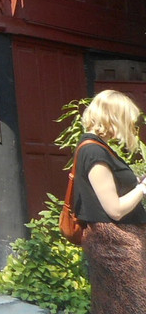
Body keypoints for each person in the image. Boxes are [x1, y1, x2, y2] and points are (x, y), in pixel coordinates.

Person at [74, 89, 146, 313]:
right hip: (115, 244)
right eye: (126, 119)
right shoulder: (95, 152)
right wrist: (143, 188)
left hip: (114, 241)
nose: (130, 126)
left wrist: (134, 182)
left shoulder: (98, 148)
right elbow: (115, 209)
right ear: (112, 117)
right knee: (132, 305)